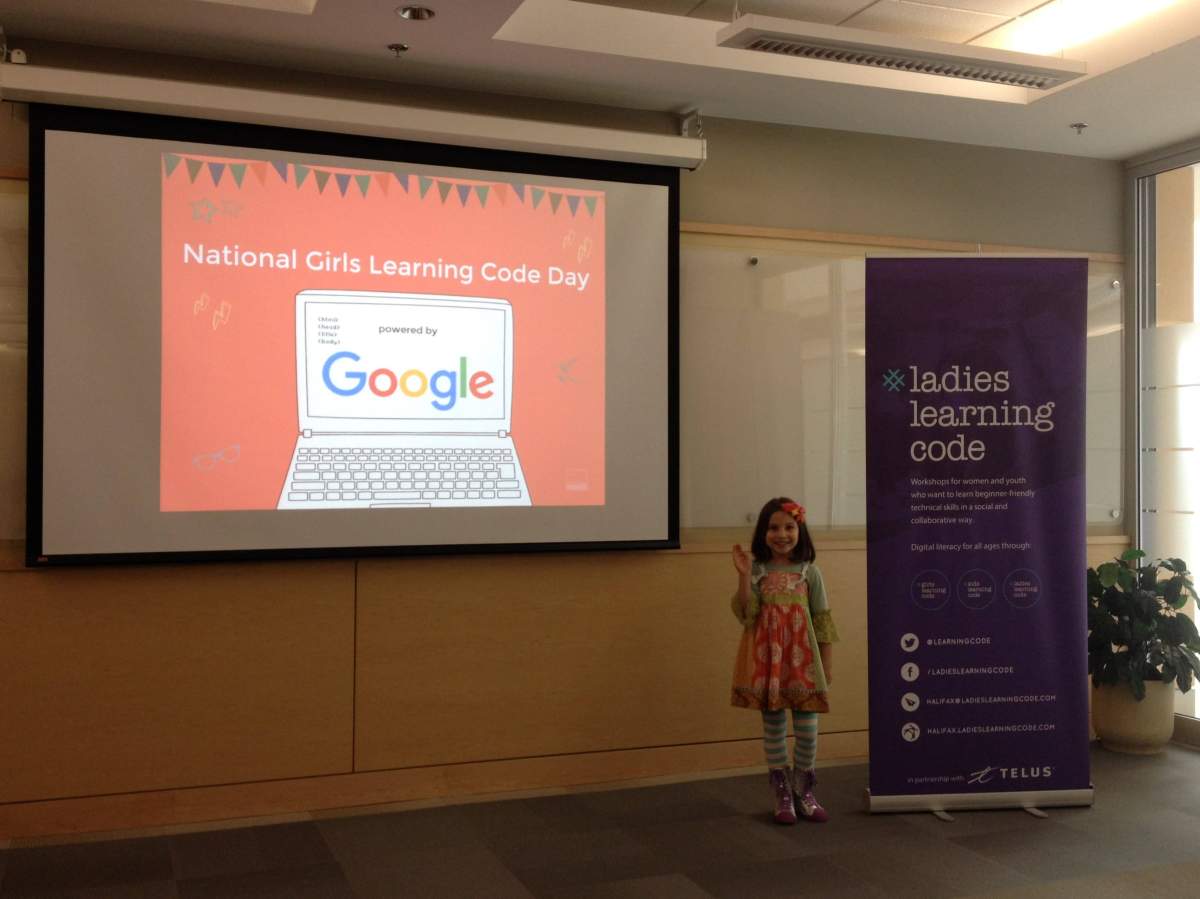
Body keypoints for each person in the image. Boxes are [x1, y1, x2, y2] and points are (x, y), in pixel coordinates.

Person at [730, 497, 839, 824]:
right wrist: (743, 576)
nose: (782, 534)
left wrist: (826, 664)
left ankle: (804, 790)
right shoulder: (759, 572)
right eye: (773, 527)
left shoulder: (810, 573)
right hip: (769, 666)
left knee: (808, 731)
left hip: (804, 665)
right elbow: (746, 615)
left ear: (800, 530)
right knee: (774, 729)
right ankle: (782, 793)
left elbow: (822, 620)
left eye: (789, 527)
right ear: (763, 533)